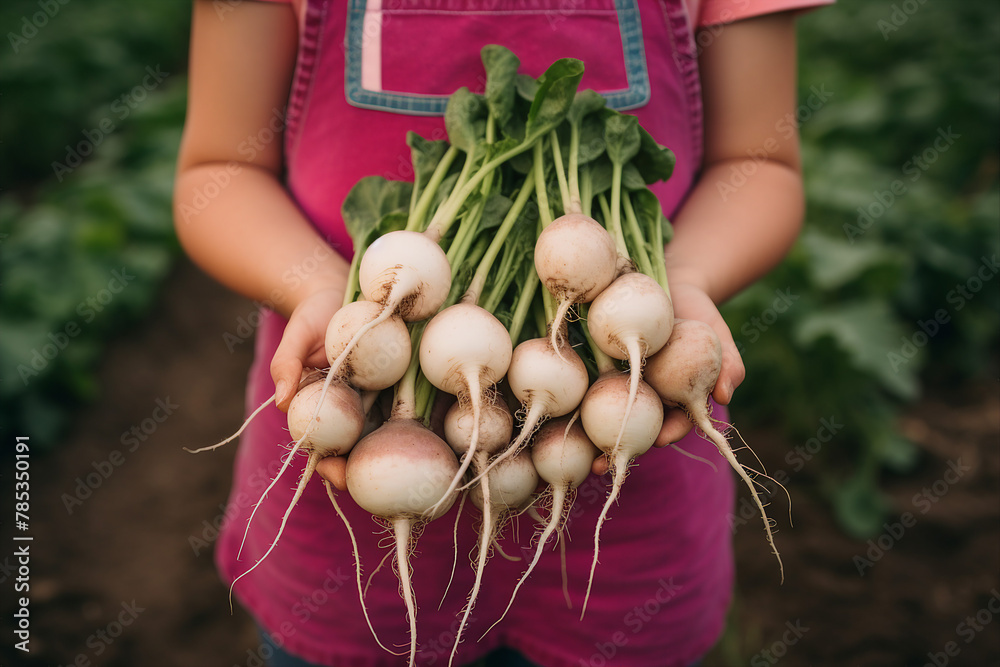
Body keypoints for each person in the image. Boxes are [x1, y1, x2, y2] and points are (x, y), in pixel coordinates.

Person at [173, 1, 832, 665]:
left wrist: (681, 284)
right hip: (344, 459)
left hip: (631, 514)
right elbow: (219, 168)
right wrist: (319, 290)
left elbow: (759, 160)